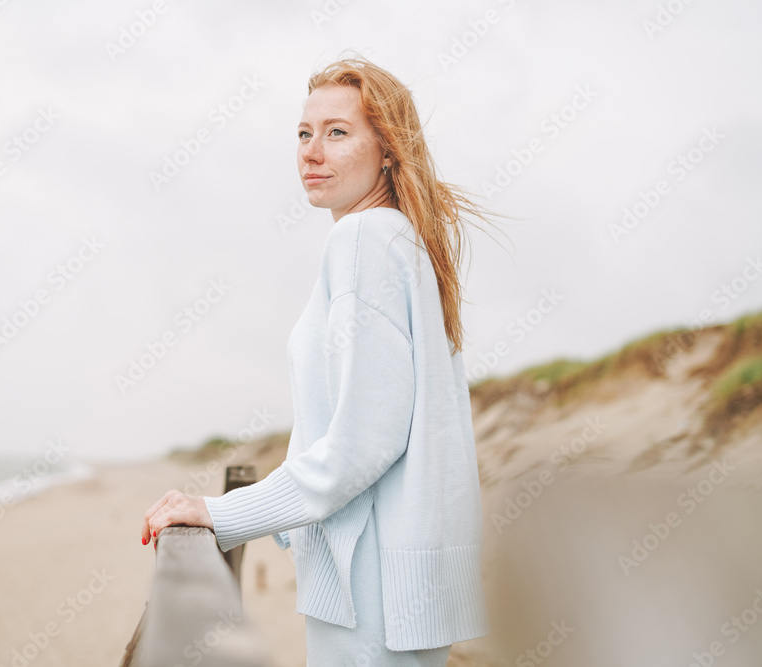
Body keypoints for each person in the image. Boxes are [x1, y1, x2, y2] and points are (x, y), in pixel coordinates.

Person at [141, 54, 497, 665]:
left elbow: (361, 443)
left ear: (387, 149)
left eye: (337, 133)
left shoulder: (363, 241)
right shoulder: (403, 242)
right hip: (395, 590)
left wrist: (220, 514)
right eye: (304, 134)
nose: (311, 152)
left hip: (369, 590)